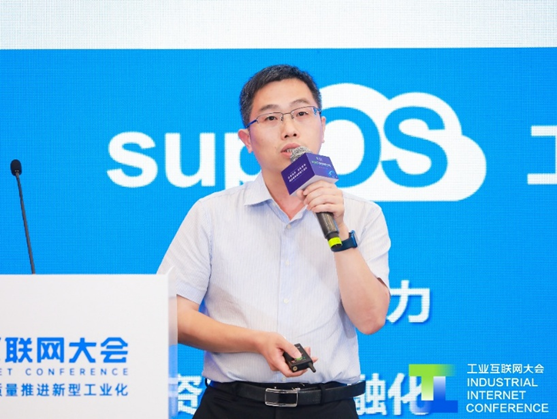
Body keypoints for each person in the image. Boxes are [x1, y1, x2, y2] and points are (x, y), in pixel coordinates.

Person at [158, 64, 391, 418]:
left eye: (301, 113)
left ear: (323, 126)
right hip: (232, 408)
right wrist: (255, 342)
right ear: (247, 140)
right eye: (271, 118)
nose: (289, 129)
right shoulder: (212, 213)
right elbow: (170, 316)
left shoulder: (362, 214)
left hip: (327, 409)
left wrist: (341, 231)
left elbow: (371, 319)